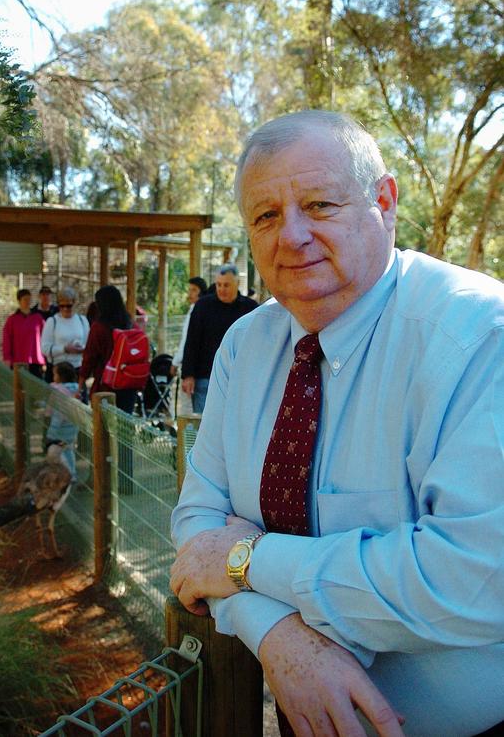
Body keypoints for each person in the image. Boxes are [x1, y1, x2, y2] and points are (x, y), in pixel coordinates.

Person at [169, 110, 504, 737]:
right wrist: (276, 630)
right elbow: (197, 525)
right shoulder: (247, 344)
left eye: (320, 204)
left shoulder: (481, 339)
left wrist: (247, 560)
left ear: (383, 201)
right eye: (265, 216)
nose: (291, 235)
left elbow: (476, 580)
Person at [181, 264, 258, 413]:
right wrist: (188, 375)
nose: (222, 289)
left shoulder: (250, 309)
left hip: (240, 380)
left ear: (237, 284)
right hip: (205, 378)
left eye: (227, 285)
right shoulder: (202, 306)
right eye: (219, 285)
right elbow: (192, 342)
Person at [77, 284, 139, 414]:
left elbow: (89, 357)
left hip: (106, 385)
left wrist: (81, 382)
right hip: (129, 384)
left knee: (103, 427)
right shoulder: (131, 324)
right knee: (124, 424)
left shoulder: (99, 327)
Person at [40, 286, 89, 375]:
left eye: (68, 306)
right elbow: (44, 348)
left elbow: (89, 344)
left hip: (77, 369)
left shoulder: (82, 320)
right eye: (62, 306)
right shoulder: (52, 321)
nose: (65, 309)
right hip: (57, 371)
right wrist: (64, 349)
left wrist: (81, 349)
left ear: (74, 303)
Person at [44, 361, 79, 482]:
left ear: (60, 376)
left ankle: (66, 474)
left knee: (57, 452)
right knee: (69, 449)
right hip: (73, 426)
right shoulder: (76, 389)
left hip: (61, 429)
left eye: (55, 374)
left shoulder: (59, 392)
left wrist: (51, 434)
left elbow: (58, 415)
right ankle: (72, 474)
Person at [1, 288, 45, 377]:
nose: (28, 302)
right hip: (18, 361)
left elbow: (45, 338)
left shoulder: (38, 318)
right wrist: (7, 358)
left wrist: (45, 359)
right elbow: (6, 340)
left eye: (29, 299)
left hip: (36, 361)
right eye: (25, 299)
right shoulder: (12, 320)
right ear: (19, 301)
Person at [170, 276, 208, 378]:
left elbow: (188, 339)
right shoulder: (194, 309)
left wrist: (175, 362)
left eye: (194, 290)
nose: (190, 293)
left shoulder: (198, 311)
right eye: (189, 290)